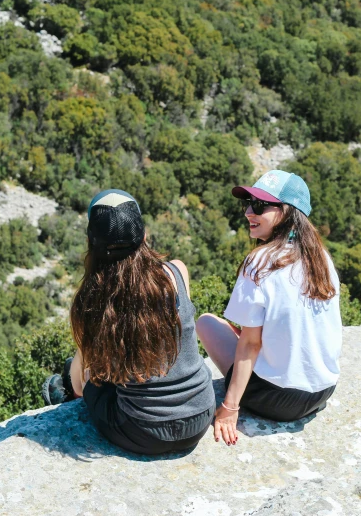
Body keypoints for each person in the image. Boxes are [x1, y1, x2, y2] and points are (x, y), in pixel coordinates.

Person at [41, 189, 215, 455]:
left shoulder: (94, 301)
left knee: (80, 376)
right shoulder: (175, 271)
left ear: (91, 241)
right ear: (144, 237)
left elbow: (80, 384)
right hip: (202, 415)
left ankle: (61, 394)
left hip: (144, 431)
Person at [196, 170, 342, 446]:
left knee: (205, 322)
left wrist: (229, 409)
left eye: (260, 206)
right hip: (323, 391)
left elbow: (250, 344)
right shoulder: (322, 258)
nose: (249, 212)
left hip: (278, 401)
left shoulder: (260, 261)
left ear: (287, 212)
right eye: (248, 203)